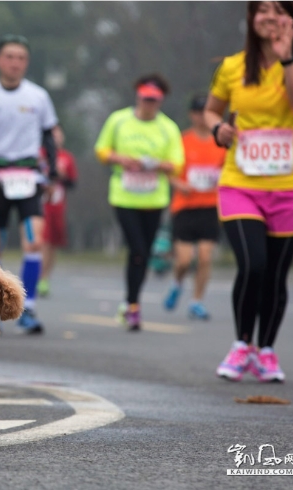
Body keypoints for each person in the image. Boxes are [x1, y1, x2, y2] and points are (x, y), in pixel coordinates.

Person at [206, 1, 293, 382]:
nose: (269, 16)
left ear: (292, 17)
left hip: (288, 185)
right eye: (261, 9)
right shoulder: (233, 66)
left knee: (274, 276)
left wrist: (287, 59)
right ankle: (242, 345)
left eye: (278, 8)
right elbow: (211, 110)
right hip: (241, 181)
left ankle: (266, 350)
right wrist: (217, 128)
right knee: (253, 264)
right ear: (251, 18)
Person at [0, 34, 59, 334]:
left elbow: (48, 137)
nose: (15, 63)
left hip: (28, 177)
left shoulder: (39, 97)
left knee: (34, 241)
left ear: (26, 63)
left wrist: (52, 174)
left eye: (21, 58)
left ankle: (27, 308)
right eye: (9, 57)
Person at [94, 74, 184, 331]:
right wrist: (121, 159)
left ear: (161, 101)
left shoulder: (168, 128)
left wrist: (153, 164)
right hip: (124, 196)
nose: (149, 105)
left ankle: (130, 302)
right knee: (138, 250)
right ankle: (133, 306)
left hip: (154, 198)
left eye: (154, 100)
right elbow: (101, 150)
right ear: (138, 97)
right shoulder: (119, 120)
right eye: (145, 99)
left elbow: (177, 165)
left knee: (142, 254)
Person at [163, 95, 226, 320]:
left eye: (205, 112)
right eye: (198, 112)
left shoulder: (220, 142)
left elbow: (227, 171)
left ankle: (196, 301)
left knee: (206, 257)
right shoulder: (182, 141)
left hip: (210, 206)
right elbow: (169, 172)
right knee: (184, 260)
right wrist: (181, 184)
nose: (201, 117)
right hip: (185, 207)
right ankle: (177, 283)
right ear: (192, 115)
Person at [36, 125, 78, 297]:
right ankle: (39, 277)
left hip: (58, 206)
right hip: (41, 205)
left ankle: (46, 277)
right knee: (43, 241)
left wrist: (62, 176)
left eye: (58, 135)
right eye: (52, 135)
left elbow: (73, 182)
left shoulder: (67, 158)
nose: (55, 138)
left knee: (53, 243)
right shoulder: (39, 154)